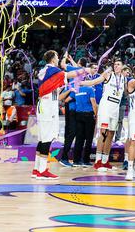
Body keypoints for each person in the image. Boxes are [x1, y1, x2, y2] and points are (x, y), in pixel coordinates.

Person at [33, 50, 85, 180]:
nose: (58, 59)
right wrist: (85, 71)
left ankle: (37, 169)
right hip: (47, 106)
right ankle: (42, 170)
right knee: (47, 138)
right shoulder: (52, 70)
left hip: (45, 104)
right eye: (57, 57)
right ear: (52, 59)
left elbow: (54, 89)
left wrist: (67, 87)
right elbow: (70, 73)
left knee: (42, 138)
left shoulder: (46, 71)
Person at [81, 59, 127, 172]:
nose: (116, 66)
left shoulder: (124, 79)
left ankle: (105, 161)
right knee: (104, 133)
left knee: (111, 134)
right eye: (115, 64)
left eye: (118, 64)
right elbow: (94, 82)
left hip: (116, 107)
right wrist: (80, 83)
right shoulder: (108, 75)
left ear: (122, 67)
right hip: (106, 105)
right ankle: (98, 161)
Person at [72, 83, 98, 167]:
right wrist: (96, 115)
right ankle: (86, 161)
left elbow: (67, 99)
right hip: (88, 115)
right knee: (89, 139)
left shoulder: (76, 89)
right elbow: (93, 103)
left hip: (78, 115)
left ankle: (76, 160)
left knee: (79, 138)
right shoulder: (90, 89)